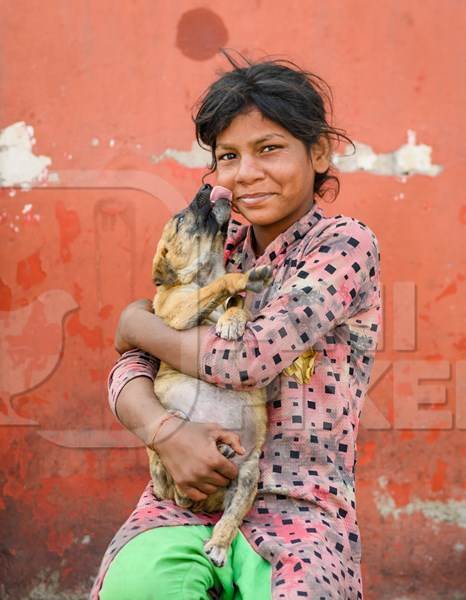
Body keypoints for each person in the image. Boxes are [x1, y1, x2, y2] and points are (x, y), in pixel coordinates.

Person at [90, 50, 382, 600]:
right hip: (181, 500)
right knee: (138, 586)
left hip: (300, 511)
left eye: (268, 149)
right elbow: (128, 371)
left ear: (319, 152)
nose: (246, 174)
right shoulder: (216, 241)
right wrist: (165, 431)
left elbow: (248, 357)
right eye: (228, 156)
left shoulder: (344, 245)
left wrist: (134, 321)